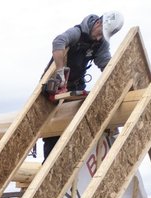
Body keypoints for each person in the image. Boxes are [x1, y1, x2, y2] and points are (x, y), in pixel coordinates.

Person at [42, 11, 124, 160]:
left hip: (75, 85)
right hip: (55, 84)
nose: (100, 38)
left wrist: (117, 83)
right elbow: (58, 41)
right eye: (100, 33)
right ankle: (49, 167)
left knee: (81, 121)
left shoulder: (101, 43)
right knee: (53, 131)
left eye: (103, 36)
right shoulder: (77, 33)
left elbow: (106, 64)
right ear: (98, 23)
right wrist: (60, 71)